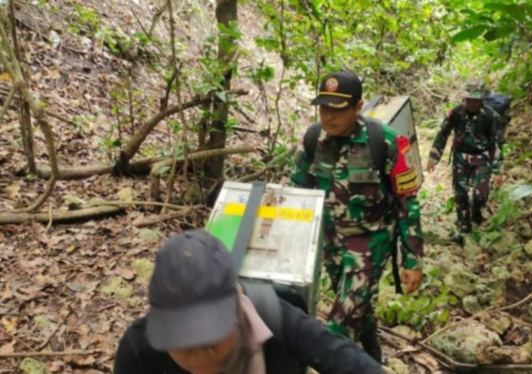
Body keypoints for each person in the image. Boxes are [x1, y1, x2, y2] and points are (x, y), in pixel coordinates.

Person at [290, 69, 424, 363]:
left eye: (338, 110)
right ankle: (373, 356)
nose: (329, 117)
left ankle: (344, 366)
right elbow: (297, 194)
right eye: (324, 108)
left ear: (358, 107)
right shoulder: (312, 140)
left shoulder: (386, 142)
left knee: (340, 324)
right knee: (356, 306)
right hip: (331, 244)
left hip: (370, 243)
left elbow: (407, 203)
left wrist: (412, 260)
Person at [113, 229, 386, 374]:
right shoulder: (140, 347)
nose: (199, 363)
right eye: (182, 344)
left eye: (210, 340)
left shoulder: (276, 320)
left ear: (236, 309)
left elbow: (346, 361)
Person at [426, 79, 505, 235]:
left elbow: (496, 144)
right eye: (469, 99)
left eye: (476, 100)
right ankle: (464, 227)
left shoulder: (491, 116)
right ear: (464, 98)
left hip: (481, 157)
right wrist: (433, 159)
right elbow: (442, 135)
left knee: (480, 194)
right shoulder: (454, 114)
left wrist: (498, 170)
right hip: (460, 156)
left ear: (482, 100)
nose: (472, 103)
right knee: (460, 193)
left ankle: (477, 211)